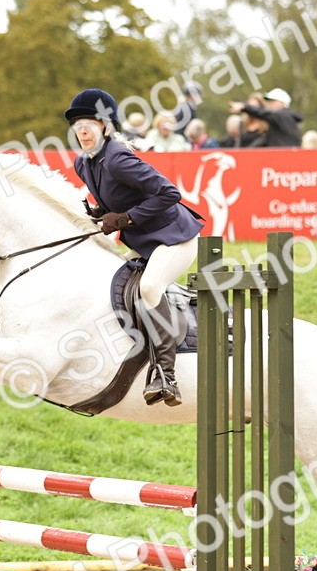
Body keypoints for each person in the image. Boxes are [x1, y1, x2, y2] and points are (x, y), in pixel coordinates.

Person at [65, 88, 203, 407]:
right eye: (77, 123)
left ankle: (166, 374)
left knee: (151, 286)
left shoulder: (118, 157)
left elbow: (170, 194)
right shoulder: (82, 162)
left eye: (90, 122)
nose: (82, 129)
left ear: (106, 126)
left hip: (174, 237)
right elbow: (116, 198)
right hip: (144, 242)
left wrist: (125, 219)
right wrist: (101, 212)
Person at [230, 87, 303, 148]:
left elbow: (263, 113)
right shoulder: (280, 119)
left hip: (285, 158)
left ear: (282, 103)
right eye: (269, 101)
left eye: (272, 101)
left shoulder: (283, 115)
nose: (269, 104)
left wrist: (244, 106)